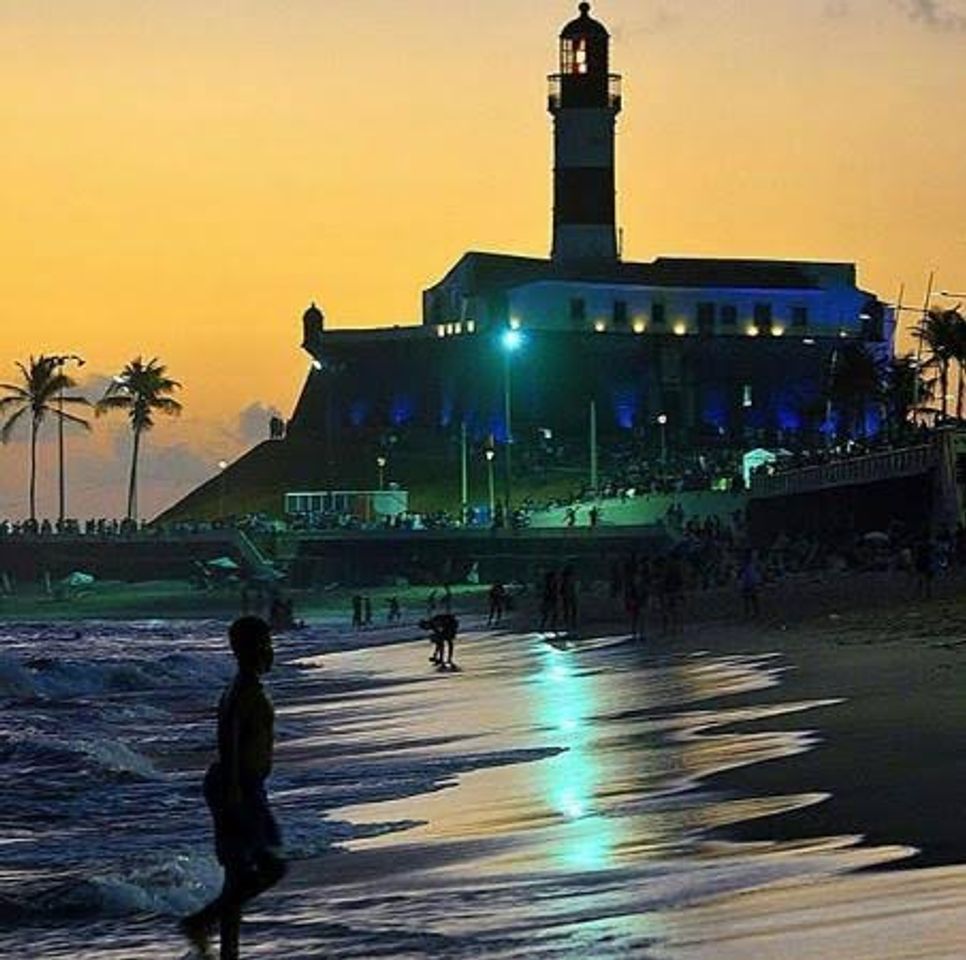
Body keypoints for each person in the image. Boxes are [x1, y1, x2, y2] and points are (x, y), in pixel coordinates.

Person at [180, 616, 286, 959]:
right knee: (272, 867)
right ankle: (200, 922)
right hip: (238, 787)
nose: (271, 651)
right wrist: (237, 793)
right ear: (252, 647)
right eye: (266, 643)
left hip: (243, 785)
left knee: (238, 876)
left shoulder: (246, 686)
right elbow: (230, 742)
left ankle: (228, 952)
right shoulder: (242, 690)